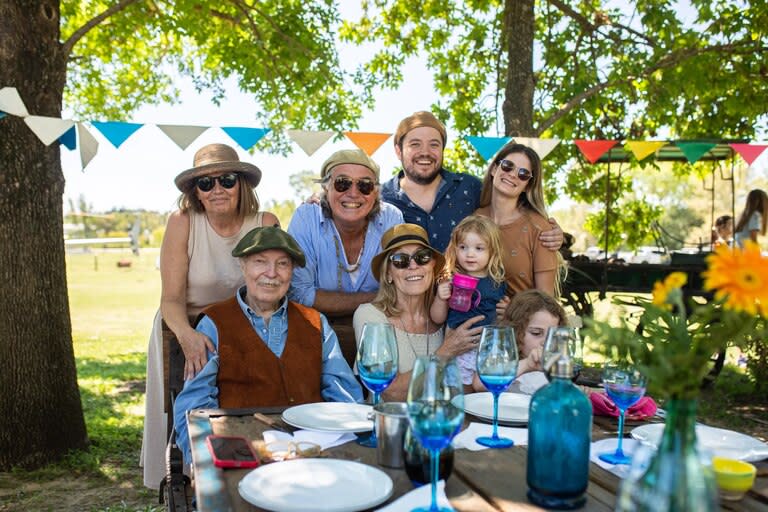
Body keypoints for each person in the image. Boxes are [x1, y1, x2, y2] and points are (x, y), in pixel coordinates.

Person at [141, 143, 279, 489]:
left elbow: (276, 285)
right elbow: (170, 299)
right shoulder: (183, 223)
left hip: (244, 324)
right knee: (192, 399)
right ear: (196, 193)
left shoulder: (265, 223)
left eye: (227, 179)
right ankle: (190, 476)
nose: (217, 189)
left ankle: (258, 467)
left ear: (241, 185)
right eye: (205, 183)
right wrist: (188, 336)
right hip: (185, 324)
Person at [173, 226, 362, 463]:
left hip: (312, 451)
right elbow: (195, 406)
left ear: (292, 271)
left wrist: (351, 444)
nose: (271, 273)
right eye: (260, 262)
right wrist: (204, 463)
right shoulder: (214, 324)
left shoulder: (315, 323)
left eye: (282, 264)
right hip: (243, 453)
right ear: (243, 266)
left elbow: (344, 396)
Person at [380, 110, 564, 252]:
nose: (425, 152)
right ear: (398, 150)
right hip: (402, 300)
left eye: (434, 144)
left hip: (469, 299)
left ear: (443, 150)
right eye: (415, 144)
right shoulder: (380, 199)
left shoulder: (469, 187)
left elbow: (512, 209)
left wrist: (548, 231)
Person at [288, 149, 403, 367]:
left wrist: (327, 300)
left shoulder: (391, 218)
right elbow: (299, 293)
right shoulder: (306, 217)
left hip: (379, 331)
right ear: (325, 187)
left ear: (376, 192)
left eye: (365, 185)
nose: (353, 193)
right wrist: (377, 298)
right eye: (342, 183)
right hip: (318, 332)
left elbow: (401, 285)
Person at [353, 224, 484, 401]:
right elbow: (390, 393)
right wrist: (445, 352)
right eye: (400, 260)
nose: (413, 266)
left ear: (432, 266)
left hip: (441, 424)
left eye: (422, 257)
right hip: (390, 424)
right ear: (388, 274)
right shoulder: (370, 316)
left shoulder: (448, 313)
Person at [474, 141, 560, 303]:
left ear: (528, 186)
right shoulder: (473, 219)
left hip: (521, 324)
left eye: (523, 174)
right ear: (494, 169)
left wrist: (513, 312)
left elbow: (546, 301)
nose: (513, 174)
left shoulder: (539, 228)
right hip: (473, 323)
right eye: (507, 166)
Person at [430, 215, 507, 386]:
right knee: (459, 394)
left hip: (488, 350)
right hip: (458, 351)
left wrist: (506, 311)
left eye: (479, 248)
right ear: (455, 249)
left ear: (492, 251)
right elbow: (437, 318)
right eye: (463, 247)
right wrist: (440, 298)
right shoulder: (451, 279)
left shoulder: (497, 282)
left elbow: (502, 319)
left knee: (484, 391)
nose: (470, 254)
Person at [495, 289, 568, 395]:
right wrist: (527, 365)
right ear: (516, 331)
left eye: (553, 336)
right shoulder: (502, 360)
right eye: (536, 333)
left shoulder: (552, 370)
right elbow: (480, 384)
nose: (545, 342)